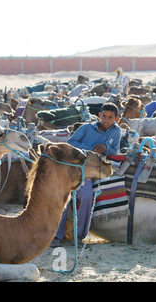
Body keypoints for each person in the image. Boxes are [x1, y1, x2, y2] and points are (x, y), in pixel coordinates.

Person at [51, 102, 122, 247]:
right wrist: (90, 150)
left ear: (117, 119)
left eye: (110, 118)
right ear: (99, 116)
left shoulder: (116, 131)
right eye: (104, 116)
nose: (106, 120)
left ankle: (79, 236)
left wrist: (106, 147)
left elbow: (115, 150)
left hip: (91, 171)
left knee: (88, 196)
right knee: (65, 196)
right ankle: (56, 236)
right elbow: (70, 142)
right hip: (74, 168)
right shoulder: (86, 128)